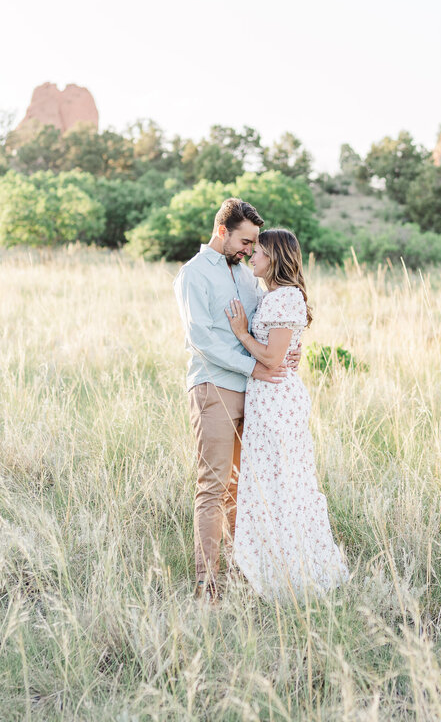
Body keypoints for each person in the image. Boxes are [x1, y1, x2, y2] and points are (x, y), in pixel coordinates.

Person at [173, 198, 300, 603]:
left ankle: (242, 573)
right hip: (215, 386)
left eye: (254, 244)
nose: (250, 249)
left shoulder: (245, 275)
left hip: (256, 394)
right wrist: (254, 368)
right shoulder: (192, 275)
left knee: (242, 489)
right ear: (223, 231)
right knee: (212, 487)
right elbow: (202, 339)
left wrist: (287, 352)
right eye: (245, 240)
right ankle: (208, 588)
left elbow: (268, 325)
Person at [225, 228, 350, 600]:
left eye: (259, 252)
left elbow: (273, 358)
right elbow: (286, 349)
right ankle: (271, 562)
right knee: (272, 482)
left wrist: (242, 333)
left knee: (283, 483)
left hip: (277, 400)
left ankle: (291, 571)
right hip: (268, 397)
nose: (252, 257)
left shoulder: (286, 298)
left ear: (275, 258)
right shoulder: (276, 297)